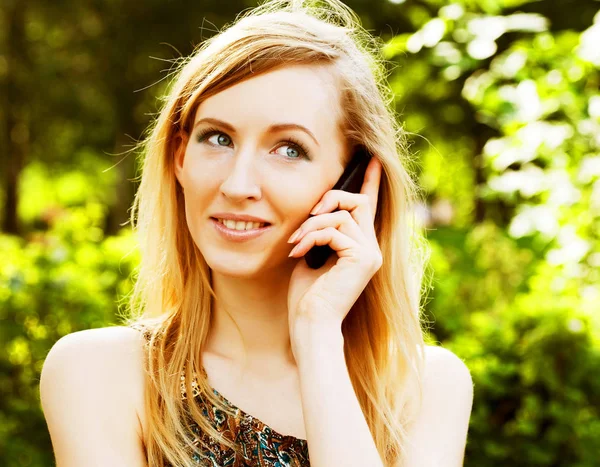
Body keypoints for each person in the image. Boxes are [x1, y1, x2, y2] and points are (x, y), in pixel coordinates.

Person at [39, 0, 474, 465]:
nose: (238, 185)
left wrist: (318, 336)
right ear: (180, 158)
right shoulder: (99, 373)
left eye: (288, 149)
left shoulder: (425, 388)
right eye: (218, 138)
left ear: (355, 181)